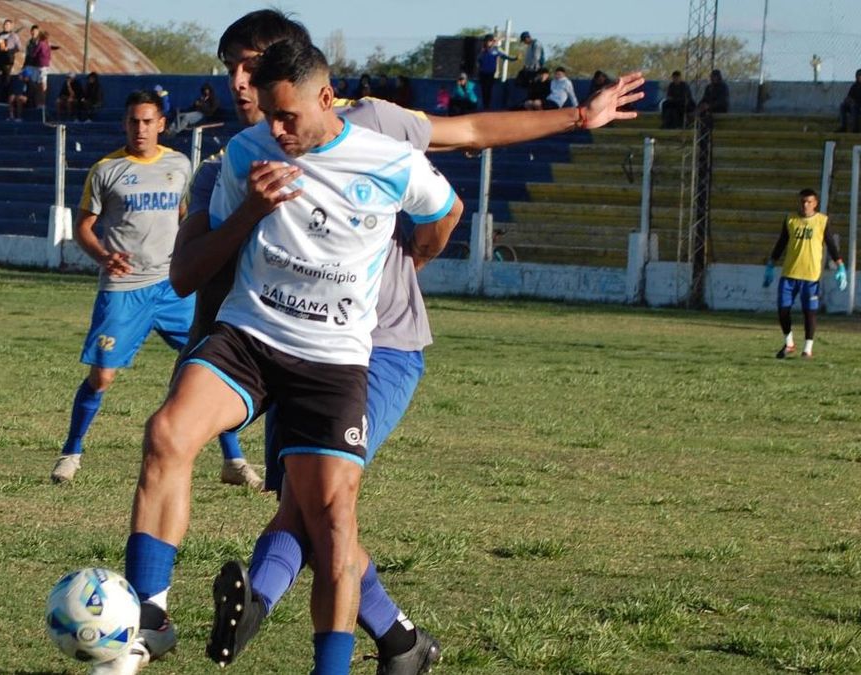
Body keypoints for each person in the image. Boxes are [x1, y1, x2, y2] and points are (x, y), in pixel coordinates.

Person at [102, 8, 646, 674]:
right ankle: (392, 639)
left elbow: (469, 135)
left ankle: (261, 607)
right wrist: (197, 377)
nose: (240, 83)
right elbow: (202, 280)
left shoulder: (380, 128)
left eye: (252, 63)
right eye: (231, 69)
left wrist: (576, 120)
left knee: (320, 508)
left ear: (302, 70)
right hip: (267, 339)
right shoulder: (237, 162)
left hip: (373, 349)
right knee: (284, 494)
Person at [116, 39, 463, 675]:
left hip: (333, 361)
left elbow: (445, 212)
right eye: (269, 117)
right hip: (250, 336)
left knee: (332, 522)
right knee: (168, 432)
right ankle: (147, 618)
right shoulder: (248, 154)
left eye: (288, 117)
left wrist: (412, 257)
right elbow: (205, 257)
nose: (277, 130)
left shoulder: (388, 159)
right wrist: (253, 205)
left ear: (326, 99)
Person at [48, 89, 261, 490]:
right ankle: (71, 453)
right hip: (124, 289)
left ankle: (233, 461)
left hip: (173, 288)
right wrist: (102, 256)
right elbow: (83, 227)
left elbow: (186, 216)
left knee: (212, 367)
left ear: (161, 124)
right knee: (103, 376)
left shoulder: (179, 165)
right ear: (124, 123)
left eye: (147, 121)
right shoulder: (106, 170)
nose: (140, 129)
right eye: (133, 121)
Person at [763, 188, 847, 359]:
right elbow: (781, 243)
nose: (805, 205)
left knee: (809, 312)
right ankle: (789, 343)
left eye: (809, 202)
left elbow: (831, 244)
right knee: (783, 309)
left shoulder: (821, 221)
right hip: (789, 274)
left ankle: (808, 349)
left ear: (815, 203)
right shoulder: (790, 220)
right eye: (803, 201)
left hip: (811, 276)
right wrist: (771, 264)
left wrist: (841, 267)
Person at [478, 33, 516, 109]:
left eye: (490, 41)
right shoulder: (482, 51)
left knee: (489, 89)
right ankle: (485, 105)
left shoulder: (496, 50)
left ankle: (487, 106)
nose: (488, 43)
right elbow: (478, 60)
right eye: (487, 41)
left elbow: (505, 56)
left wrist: (515, 58)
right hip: (482, 73)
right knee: (484, 90)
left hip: (490, 73)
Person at [0, 19, 21, 101]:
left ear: (11, 26)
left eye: (8, 25)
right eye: (5, 25)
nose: (6, 26)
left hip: (8, 60)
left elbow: (18, 48)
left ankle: (6, 98)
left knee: (7, 78)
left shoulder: (14, 36)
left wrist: (9, 50)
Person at [838, 68, 861, 133]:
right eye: (859, 76)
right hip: (853, 104)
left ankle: (856, 129)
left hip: (858, 106)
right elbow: (849, 96)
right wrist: (848, 101)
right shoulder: (855, 86)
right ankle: (843, 127)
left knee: (854, 107)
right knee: (843, 106)